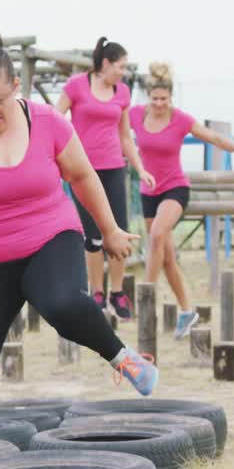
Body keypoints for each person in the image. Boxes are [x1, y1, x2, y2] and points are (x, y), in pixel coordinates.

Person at [0, 31, 159, 432]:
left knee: (63, 305)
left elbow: (82, 176)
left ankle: (125, 360)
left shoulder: (47, 121)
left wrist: (110, 230)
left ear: (16, 86)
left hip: (51, 238)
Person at [129, 62, 234, 340]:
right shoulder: (135, 114)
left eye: (164, 99)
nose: (159, 104)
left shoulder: (181, 119)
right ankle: (187, 311)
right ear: (148, 97)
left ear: (171, 97)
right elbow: (111, 127)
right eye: (155, 99)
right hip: (148, 191)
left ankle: (146, 296)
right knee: (167, 258)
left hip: (174, 188)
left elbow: (212, 137)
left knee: (157, 234)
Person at [56, 37, 154, 321]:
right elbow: (55, 118)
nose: (123, 72)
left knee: (119, 229)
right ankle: (97, 292)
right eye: (120, 66)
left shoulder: (122, 92)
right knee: (93, 235)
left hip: (113, 168)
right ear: (106, 64)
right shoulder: (76, 86)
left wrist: (140, 168)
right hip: (82, 170)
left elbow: (125, 137)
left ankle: (117, 292)